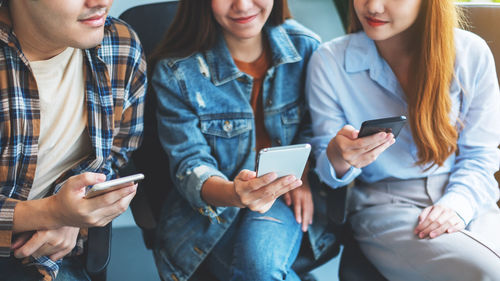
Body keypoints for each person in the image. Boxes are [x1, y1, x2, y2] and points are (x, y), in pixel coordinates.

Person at [307, 0, 500, 280]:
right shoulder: (329, 61)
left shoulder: (471, 53)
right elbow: (328, 170)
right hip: (385, 206)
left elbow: (481, 154)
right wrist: (339, 156)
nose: (372, 6)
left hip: (468, 194)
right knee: (489, 272)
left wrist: (457, 205)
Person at [150, 0, 325, 280]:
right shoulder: (177, 71)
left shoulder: (306, 47)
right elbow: (189, 164)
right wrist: (236, 193)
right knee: (258, 271)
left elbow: (314, 127)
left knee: (259, 268)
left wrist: (300, 171)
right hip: (214, 208)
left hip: (283, 194)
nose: (242, 5)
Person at [0, 0, 146, 280]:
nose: (101, 2)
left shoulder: (121, 45)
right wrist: (54, 212)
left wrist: (75, 212)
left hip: (59, 249)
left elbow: (118, 150)